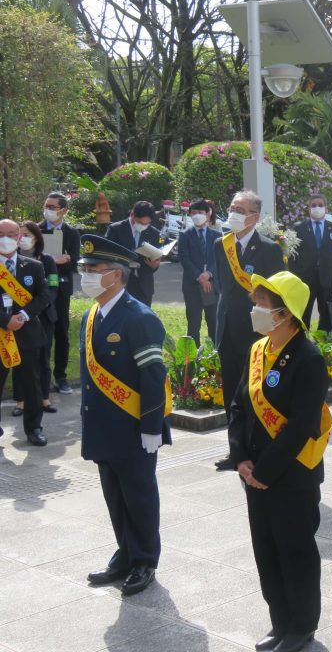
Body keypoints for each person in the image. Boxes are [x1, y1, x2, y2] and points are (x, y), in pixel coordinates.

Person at [228, 271, 330, 652]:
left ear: (286, 314)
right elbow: (239, 405)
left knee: (295, 551)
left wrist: (266, 471)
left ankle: (302, 626)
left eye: (262, 304)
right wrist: (240, 458)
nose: (255, 310)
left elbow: (301, 425)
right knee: (266, 550)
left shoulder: (308, 358)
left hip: (292, 475)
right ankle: (280, 622)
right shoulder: (259, 349)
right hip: (255, 473)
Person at [79, 235, 171, 597]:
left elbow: (153, 376)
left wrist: (151, 426)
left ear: (115, 275)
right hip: (103, 427)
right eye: (84, 269)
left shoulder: (139, 318)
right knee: (115, 495)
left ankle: (145, 559)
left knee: (139, 496)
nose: (85, 275)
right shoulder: (93, 314)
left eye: (92, 270)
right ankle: (126, 552)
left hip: (134, 428)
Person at [213, 190, 286, 470]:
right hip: (227, 330)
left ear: (255, 216)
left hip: (257, 332)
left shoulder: (269, 248)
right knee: (232, 394)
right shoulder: (221, 245)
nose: (233, 213)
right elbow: (223, 286)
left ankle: (258, 448)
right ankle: (236, 451)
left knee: (254, 392)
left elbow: (276, 294)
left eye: (241, 210)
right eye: (232, 207)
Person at [0, 219, 49, 446]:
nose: (7, 239)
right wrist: (5, 320)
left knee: (31, 384)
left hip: (27, 333)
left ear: (20, 237)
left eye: (12, 234)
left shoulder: (33, 266)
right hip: (1, 334)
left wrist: (23, 316)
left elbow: (43, 297)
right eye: (2, 234)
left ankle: (34, 428)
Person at [6, 221, 58, 417]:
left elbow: (50, 290)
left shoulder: (43, 261)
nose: (23, 239)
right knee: (17, 364)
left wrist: (33, 310)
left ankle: (43, 400)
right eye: (21, 234)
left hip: (41, 319)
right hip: (10, 323)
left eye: (27, 235)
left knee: (41, 362)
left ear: (37, 237)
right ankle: (20, 401)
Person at [39, 191, 79, 396]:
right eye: (47, 206)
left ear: (63, 210)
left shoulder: (72, 233)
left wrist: (57, 262)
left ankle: (60, 377)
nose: (48, 210)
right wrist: (54, 260)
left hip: (62, 291)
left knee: (61, 332)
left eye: (53, 207)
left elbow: (72, 262)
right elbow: (31, 259)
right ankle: (41, 377)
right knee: (42, 333)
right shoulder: (36, 230)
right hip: (38, 289)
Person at [292, 195, 332, 332]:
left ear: (326, 208)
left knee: (326, 312)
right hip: (304, 279)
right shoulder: (299, 228)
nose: (317, 208)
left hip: (327, 278)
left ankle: (325, 340)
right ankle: (301, 339)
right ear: (309, 209)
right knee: (303, 312)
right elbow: (292, 254)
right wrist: (293, 276)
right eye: (314, 205)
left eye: (320, 205)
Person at [178, 199, 220, 346]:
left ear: (208, 214)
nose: (197, 215)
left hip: (212, 286)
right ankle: (193, 359)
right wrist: (200, 277)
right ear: (189, 214)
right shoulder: (184, 235)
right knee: (193, 324)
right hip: (192, 286)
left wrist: (209, 274)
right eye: (194, 213)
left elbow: (220, 260)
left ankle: (215, 355)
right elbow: (184, 259)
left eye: (200, 212)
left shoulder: (217, 236)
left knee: (214, 323)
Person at [105, 200, 163, 307]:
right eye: (141, 223)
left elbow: (156, 258)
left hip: (144, 286)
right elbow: (107, 255)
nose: (144, 226)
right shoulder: (115, 229)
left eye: (147, 223)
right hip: (121, 282)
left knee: (143, 320)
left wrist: (155, 265)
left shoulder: (154, 233)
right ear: (132, 214)